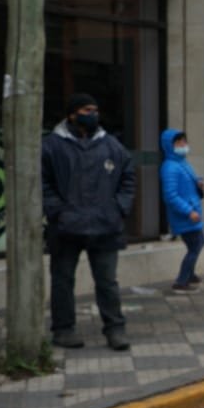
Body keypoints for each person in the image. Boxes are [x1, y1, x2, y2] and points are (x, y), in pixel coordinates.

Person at [42, 94, 135, 351]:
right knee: (62, 281)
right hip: (65, 228)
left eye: (95, 109)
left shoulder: (112, 146)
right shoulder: (51, 146)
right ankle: (63, 330)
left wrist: (118, 208)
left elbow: (128, 177)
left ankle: (115, 329)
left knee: (107, 282)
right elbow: (42, 182)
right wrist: (57, 211)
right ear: (72, 114)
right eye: (86, 109)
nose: (92, 114)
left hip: (105, 227)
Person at [159, 129, 204, 292]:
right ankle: (181, 281)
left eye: (184, 141)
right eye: (179, 142)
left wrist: (198, 182)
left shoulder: (182, 163)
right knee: (195, 245)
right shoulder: (170, 167)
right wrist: (189, 211)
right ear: (169, 146)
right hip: (185, 215)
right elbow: (170, 196)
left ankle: (190, 274)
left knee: (199, 242)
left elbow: (188, 183)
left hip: (192, 213)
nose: (183, 145)